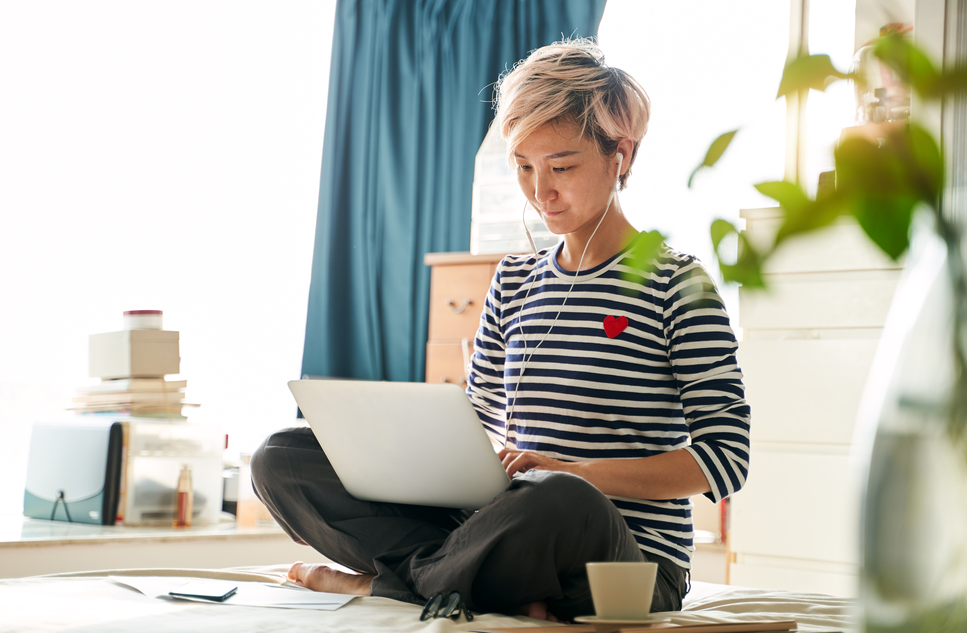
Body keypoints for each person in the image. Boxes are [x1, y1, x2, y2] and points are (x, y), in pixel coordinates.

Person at [251, 38, 750, 623]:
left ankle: (388, 585)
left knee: (563, 499)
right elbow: (478, 419)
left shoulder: (677, 285)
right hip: (498, 525)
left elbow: (725, 459)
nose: (541, 191)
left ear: (621, 154)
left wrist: (575, 472)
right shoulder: (513, 279)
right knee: (282, 456)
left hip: (622, 562)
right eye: (523, 167)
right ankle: (445, 580)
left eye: (562, 166)